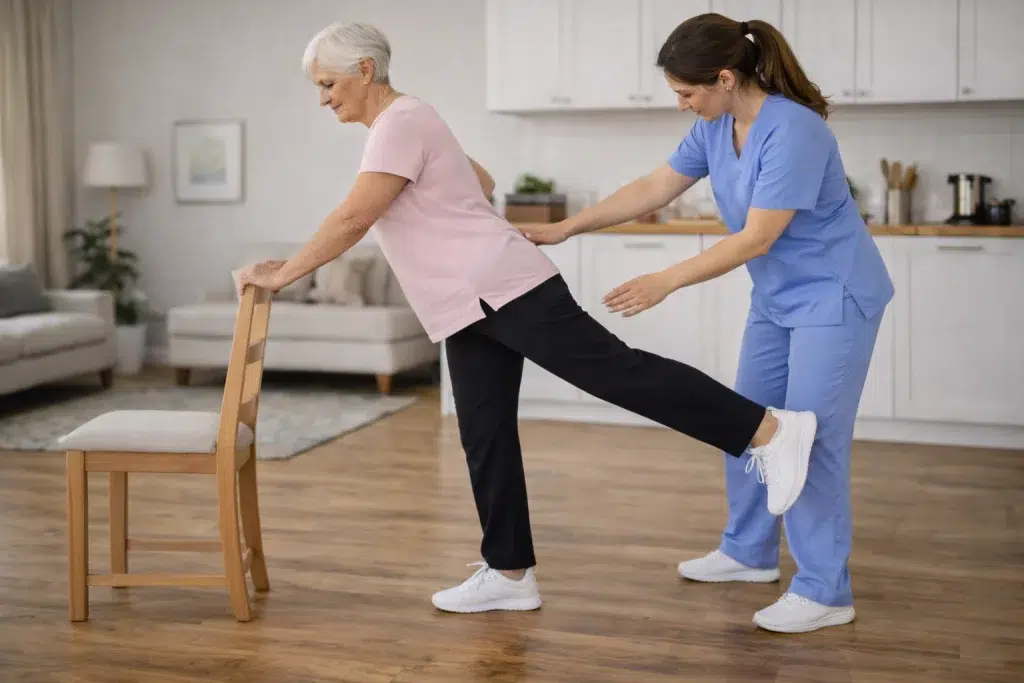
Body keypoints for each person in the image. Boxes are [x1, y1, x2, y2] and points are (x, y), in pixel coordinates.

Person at [236, 20, 819, 618]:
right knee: (483, 433)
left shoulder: (401, 121)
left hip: (497, 286)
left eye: (329, 82)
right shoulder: (405, 122)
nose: (324, 97)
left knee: (619, 374)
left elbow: (354, 218)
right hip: (463, 303)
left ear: (365, 70)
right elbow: (479, 180)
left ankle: (768, 430)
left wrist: (284, 275)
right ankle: (509, 572)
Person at [522, 13, 895, 633]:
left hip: (834, 297)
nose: (682, 104)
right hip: (777, 299)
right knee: (748, 420)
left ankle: (825, 589)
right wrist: (568, 227)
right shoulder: (717, 125)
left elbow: (757, 236)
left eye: (687, 92)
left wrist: (666, 280)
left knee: (809, 436)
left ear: (725, 78)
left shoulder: (794, 130)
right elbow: (656, 185)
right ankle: (749, 551)